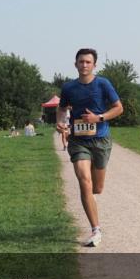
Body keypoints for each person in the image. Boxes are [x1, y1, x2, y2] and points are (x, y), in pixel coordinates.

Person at [57, 48, 123, 247]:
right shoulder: (69, 87)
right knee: (84, 180)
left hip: (100, 139)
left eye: (88, 62)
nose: (84, 65)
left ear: (94, 65)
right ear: (75, 64)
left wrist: (99, 117)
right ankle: (96, 229)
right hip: (78, 140)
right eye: (81, 62)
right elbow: (61, 108)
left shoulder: (103, 83)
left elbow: (119, 108)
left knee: (97, 188)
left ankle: (91, 201)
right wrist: (60, 123)